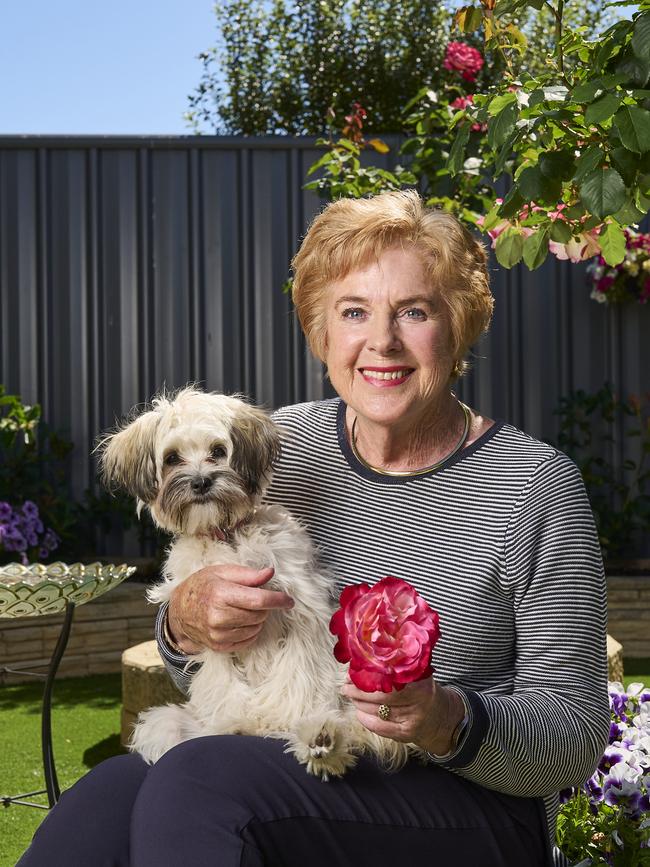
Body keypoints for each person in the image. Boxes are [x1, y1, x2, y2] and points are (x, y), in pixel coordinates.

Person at [19, 190, 610, 867]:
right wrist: (184, 623)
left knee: (197, 781)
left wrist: (446, 717)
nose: (381, 341)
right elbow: (220, 665)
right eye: (353, 312)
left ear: (458, 326)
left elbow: (575, 732)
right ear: (321, 331)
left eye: (413, 311)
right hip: (291, 751)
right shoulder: (280, 447)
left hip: (464, 802)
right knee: (104, 800)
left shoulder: (535, 485)